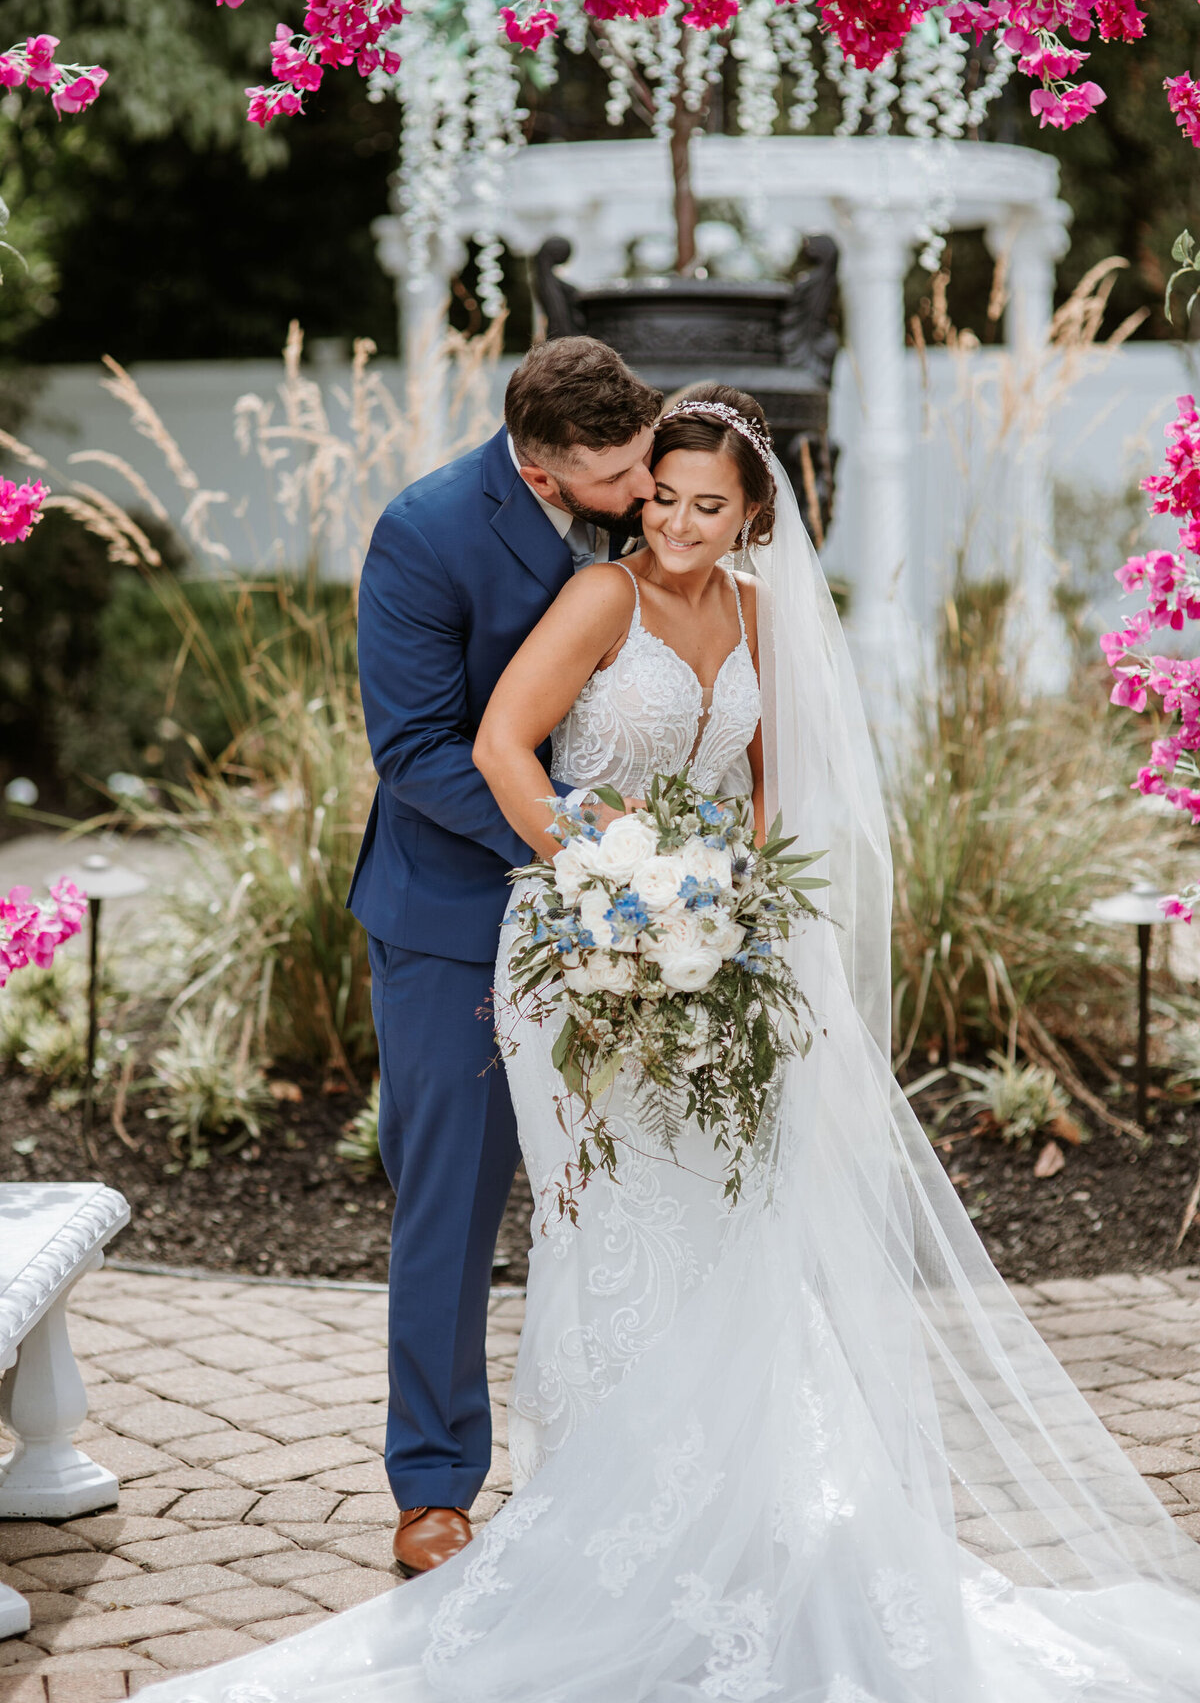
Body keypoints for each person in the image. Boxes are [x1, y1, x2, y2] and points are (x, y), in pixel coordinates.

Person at [143, 386, 1200, 1703]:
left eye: (705, 502)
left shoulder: (759, 615)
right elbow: (481, 745)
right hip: (576, 939)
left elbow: (759, 791)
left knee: (730, 1217)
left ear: (754, 512)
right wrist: (611, 882)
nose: (676, 521)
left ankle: (734, 1501)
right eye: (658, 497)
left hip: (715, 953)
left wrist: (734, 909)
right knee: (576, 1222)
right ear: (598, 478)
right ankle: (536, 1501)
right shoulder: (582, 589)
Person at [342, 336, 660, 1576]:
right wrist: (580, 840)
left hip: (637, 923)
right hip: (453, 921)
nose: (645, 490)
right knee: (452, 1211)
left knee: (631, 1198)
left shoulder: (665, 512)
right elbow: (415, 748)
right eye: (621, 471)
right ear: (542, 468)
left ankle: (631, 1461)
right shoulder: (424, 534)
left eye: (647, 459)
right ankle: (433, 1485)